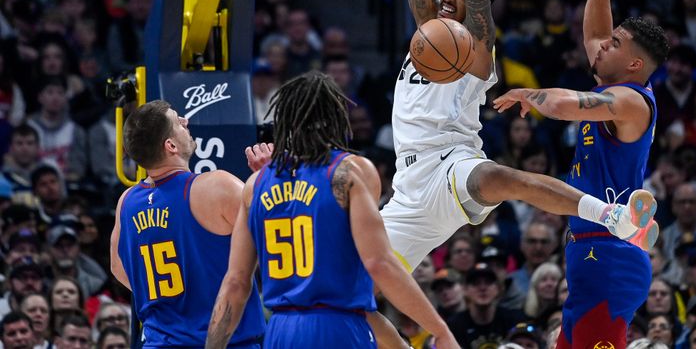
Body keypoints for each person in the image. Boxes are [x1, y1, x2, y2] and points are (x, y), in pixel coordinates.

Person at [382, 0, 658, 289]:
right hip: (407, 190)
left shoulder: (474, 45)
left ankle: (611, 215)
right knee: (351, 282)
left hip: (452, 162)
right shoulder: (428, 32)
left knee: (498, 177)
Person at [493, 0, 670, 349]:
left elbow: (564, 105)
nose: (601, 46)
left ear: (634, 63)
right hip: (590, 249)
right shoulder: (617, 80)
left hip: (609, 254)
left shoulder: (629, 101)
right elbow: (593, 34)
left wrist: (531, 95)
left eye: (616, 44)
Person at [205, 72, 459, 349]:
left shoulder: (256, 184)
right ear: (336, 118)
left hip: (280, 330)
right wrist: (439, 328)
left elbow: (235, 283)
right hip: (339, 326)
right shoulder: (351, 171)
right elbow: (378, 264)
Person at [109, 100, 265, 347]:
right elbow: (278, 232)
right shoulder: (217, 186)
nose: (185, 121)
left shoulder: (126, 202)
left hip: (158, 341)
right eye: (177, 121)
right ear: (170, 145)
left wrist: (171, 299)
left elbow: (118, 268)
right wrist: (268, 178)